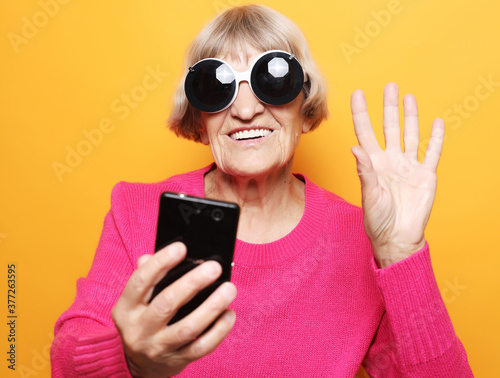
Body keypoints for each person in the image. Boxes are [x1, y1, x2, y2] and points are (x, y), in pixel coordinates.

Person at [51, 5, 473, 377]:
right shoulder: (139, 211)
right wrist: (130, 361)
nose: (246, 109)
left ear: (305, 111)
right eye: (217, 87)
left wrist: (402, 256)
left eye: (273, 80)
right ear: (199, 121)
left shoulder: (363, 237)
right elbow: (66, 363)